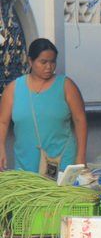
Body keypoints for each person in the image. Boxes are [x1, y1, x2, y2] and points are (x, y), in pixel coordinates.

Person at [0, 39, 87, 172]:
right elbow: (3, 122)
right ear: (30, 61)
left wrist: (80, 156)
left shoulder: (66, 86)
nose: (49, 67)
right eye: (43, 62)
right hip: (25, 163)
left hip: (62, 160)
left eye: (52, 62)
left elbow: (80, 120)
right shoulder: (13, 89)